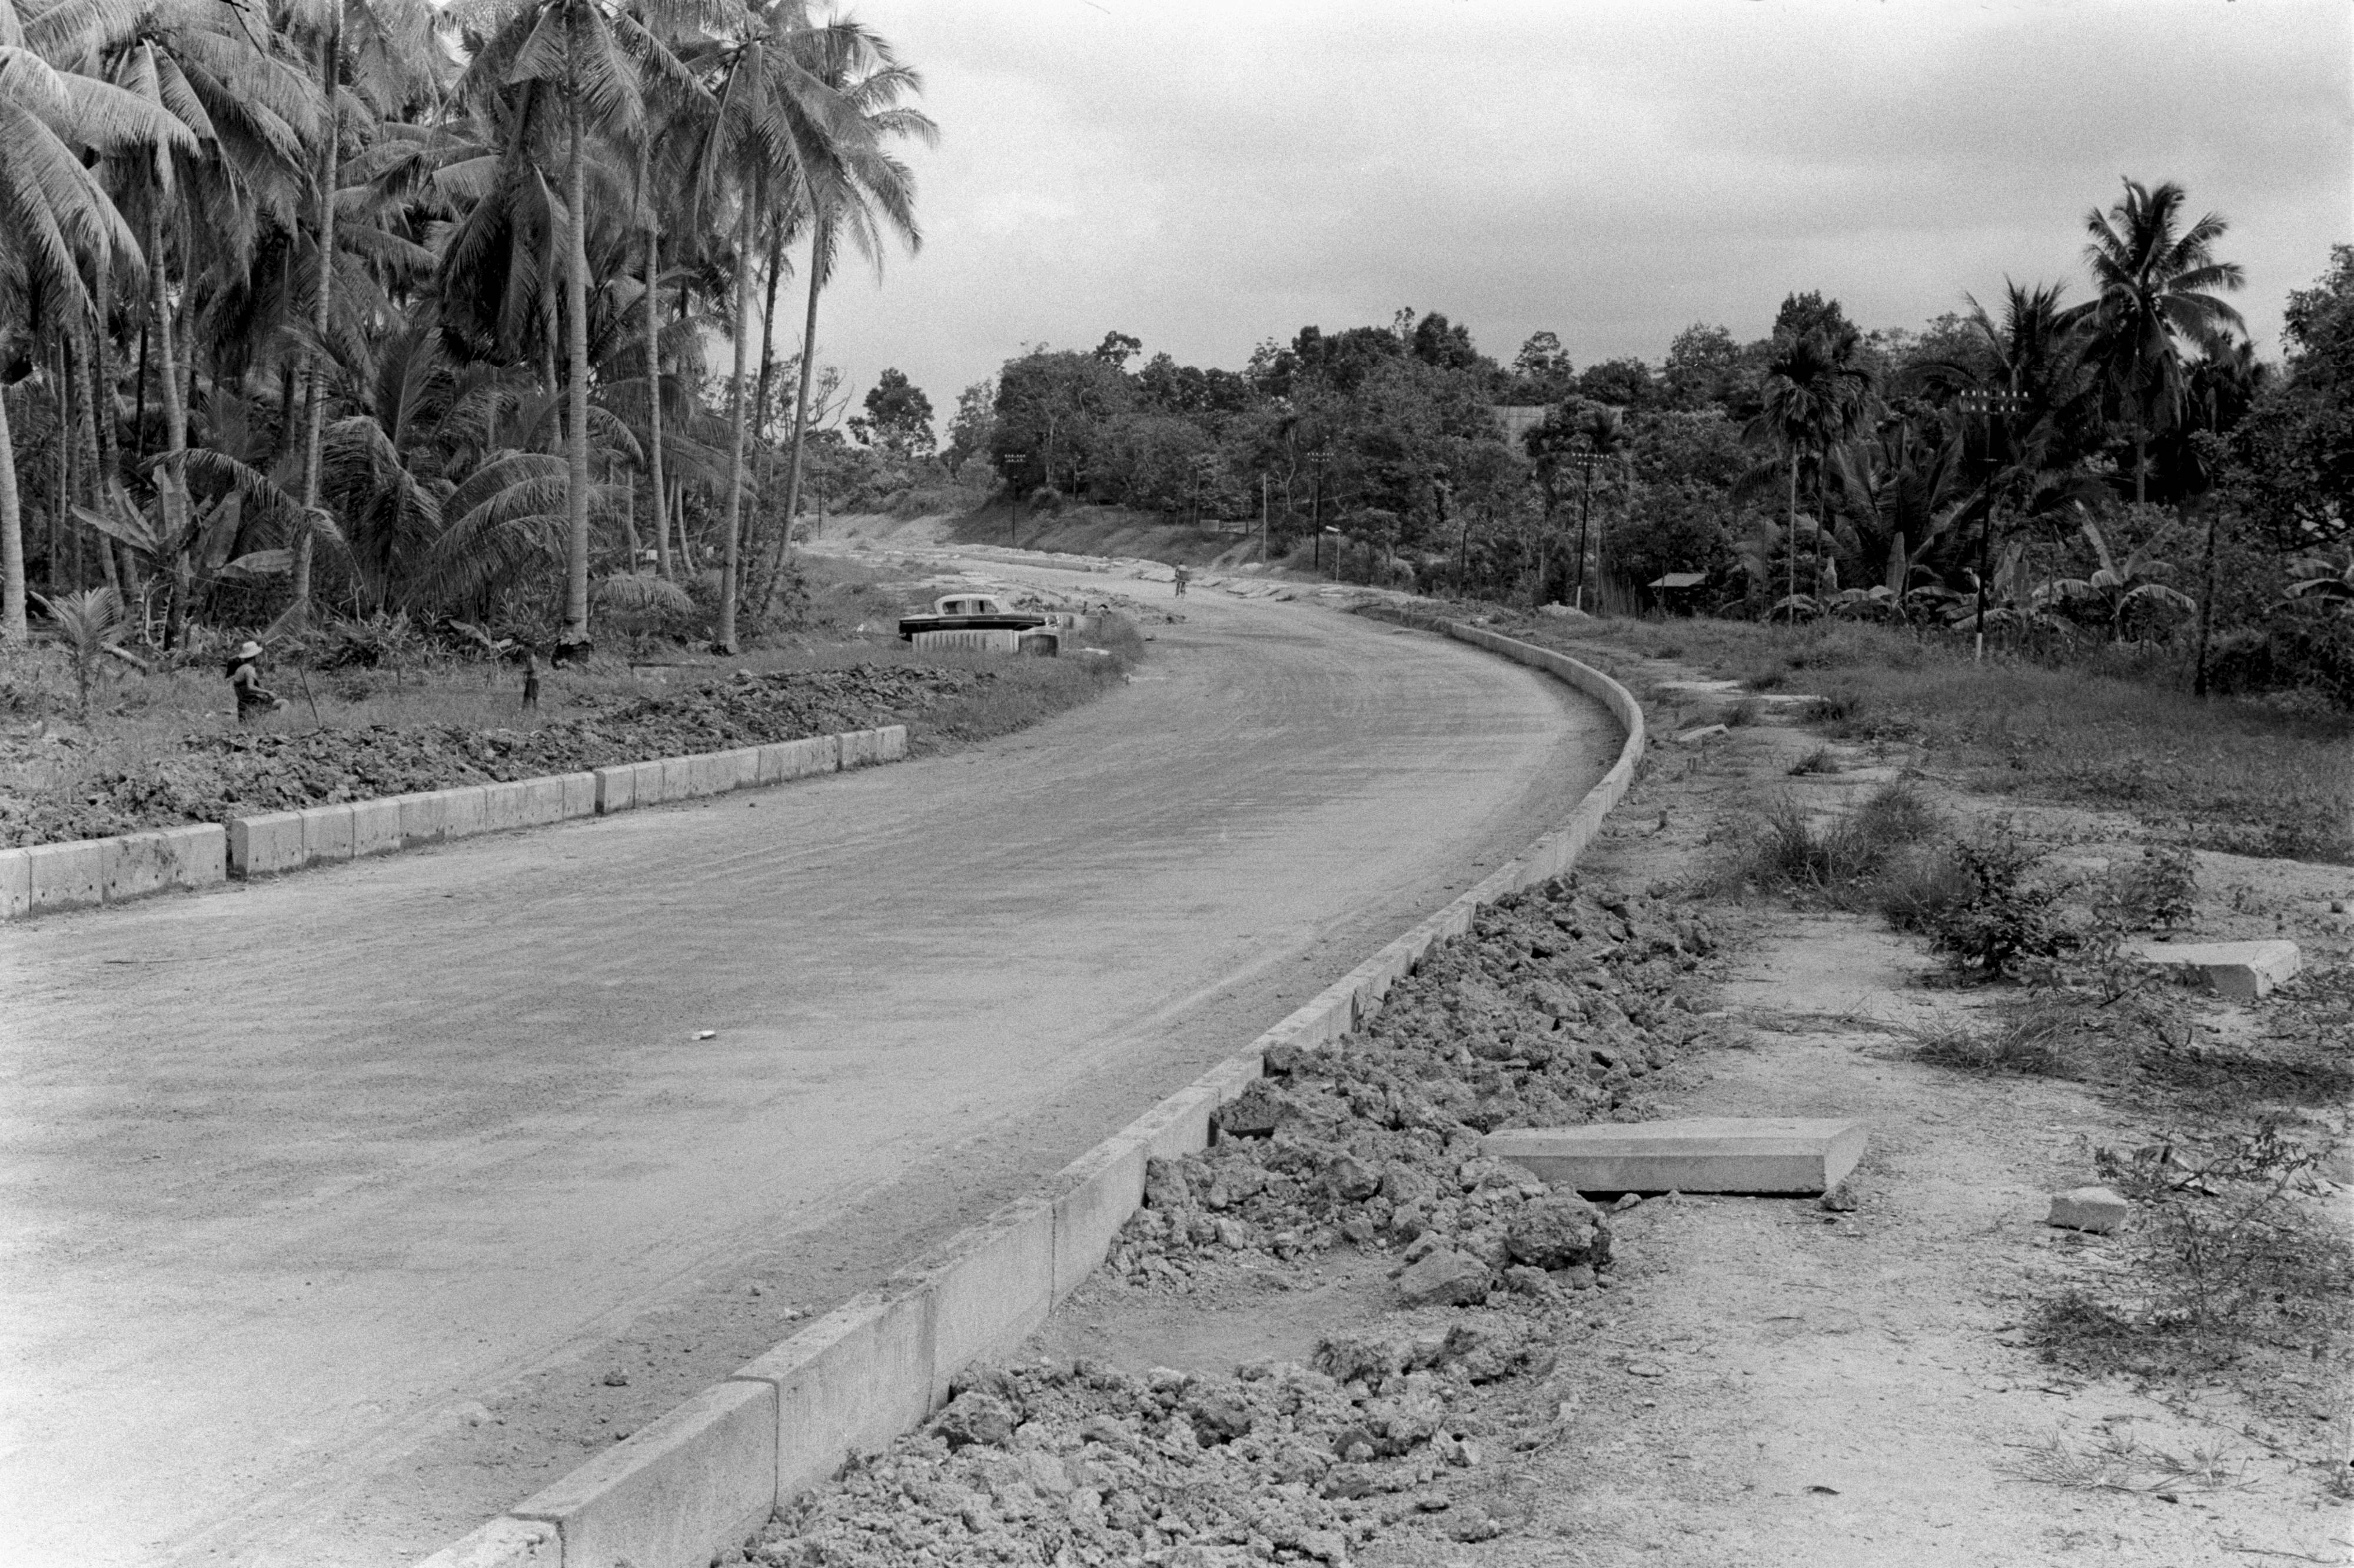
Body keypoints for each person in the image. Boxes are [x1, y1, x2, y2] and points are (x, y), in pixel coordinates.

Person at [225, 640, 288, 723]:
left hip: (242, 707)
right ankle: (281, 725)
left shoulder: (239, 670)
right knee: (284, 703)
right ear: (255, 657)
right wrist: (267, 692)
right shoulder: (249, 669)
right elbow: (250, 687)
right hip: (252, 705)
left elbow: (243, 692)